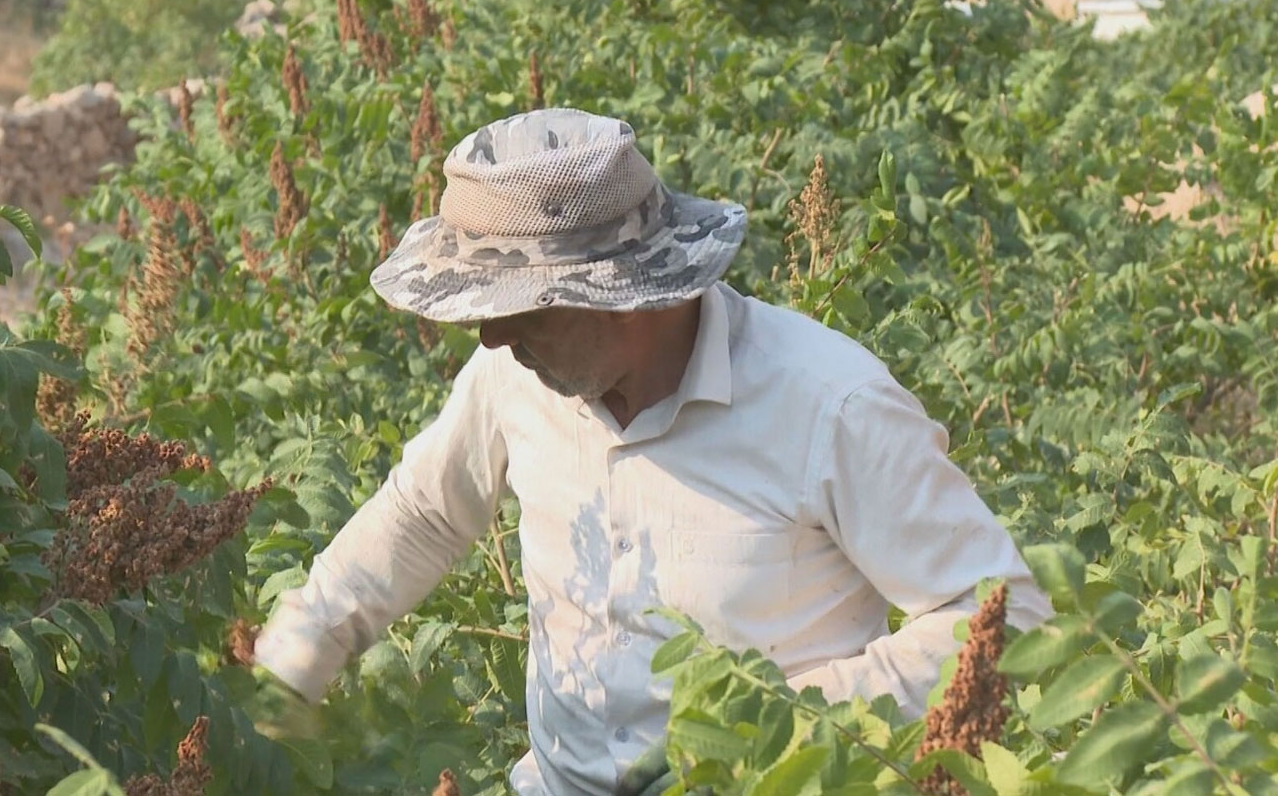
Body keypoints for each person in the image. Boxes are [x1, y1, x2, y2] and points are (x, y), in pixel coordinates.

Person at [250, 108, 1053, 795]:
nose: (492, 336)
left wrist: (781, 722)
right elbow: (425, 512)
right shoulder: (513, 376)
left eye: (518, 310)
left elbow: (1008, 617)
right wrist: (295, 657)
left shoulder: (830, 408)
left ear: (621, 297)